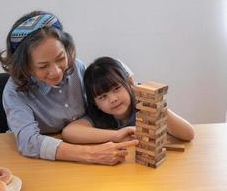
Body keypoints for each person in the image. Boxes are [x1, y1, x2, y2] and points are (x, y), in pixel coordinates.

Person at [0, 11, 138, 166]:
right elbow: (29, 143)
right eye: (43, 66)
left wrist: (129, 76)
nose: (57, 71)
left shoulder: (77, 67)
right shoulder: (14, 92)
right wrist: (91, 154)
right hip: (44, 159)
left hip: (87, 141)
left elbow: (109, 70)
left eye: (60, 58)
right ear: (25, 66)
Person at [62, 57, 195, 144]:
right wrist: (115, 136)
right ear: (95, 103)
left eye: (117, 89)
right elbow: (69, 132)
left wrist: (156, 104)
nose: (113, 99)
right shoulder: (98, 116)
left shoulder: (144, 105)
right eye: (103, 97)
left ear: (129, 84)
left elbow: (188, 134)